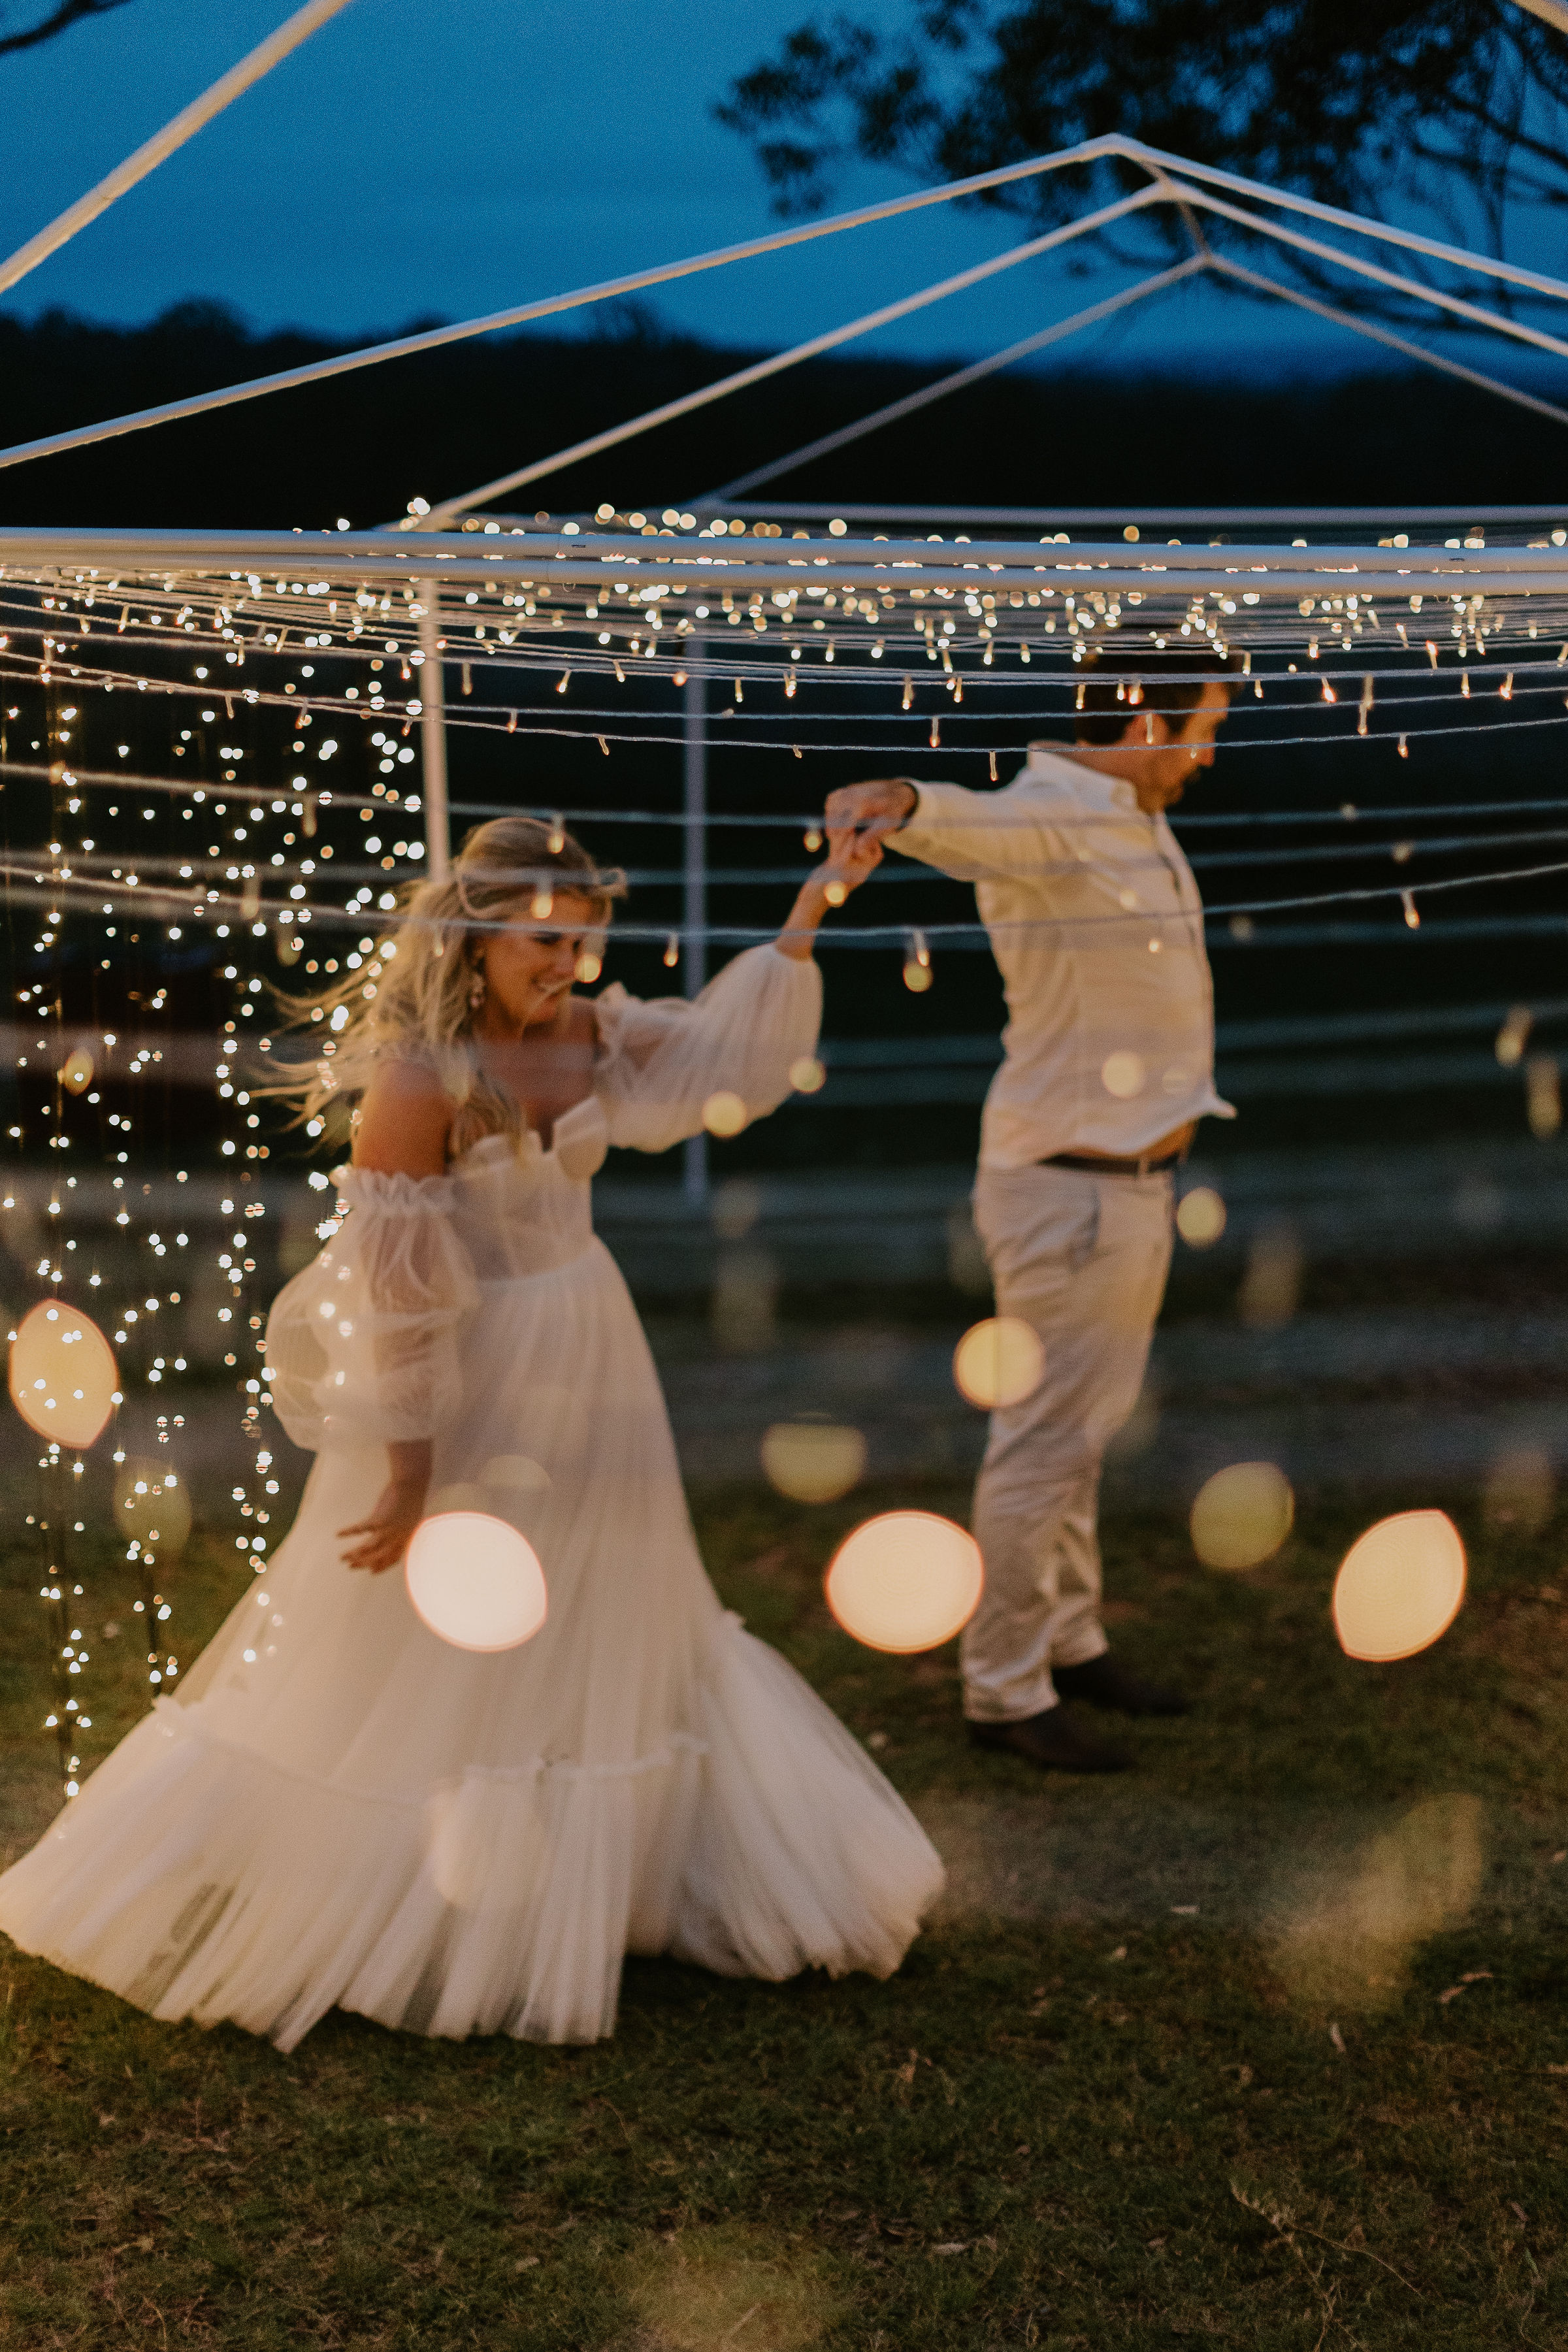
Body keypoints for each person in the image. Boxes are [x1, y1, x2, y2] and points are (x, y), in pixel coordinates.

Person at [0, 816, 943, 2049]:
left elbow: (723, 1056)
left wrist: (815, 907)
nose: (570, 966)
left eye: (584, 942)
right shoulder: (418, 1080)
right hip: (471, 1382)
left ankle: (602, 1874)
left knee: (609, 1610)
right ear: (478, 936)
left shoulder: (595, 1035)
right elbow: (397, 1296)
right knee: (451, 1642)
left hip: (595, 1359)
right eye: (546, 944)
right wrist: (407, 1473)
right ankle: (443, 1885)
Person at [825, 649, 1236, 1774]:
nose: (1208, 756)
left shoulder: (1128, 811)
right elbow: (977, 829)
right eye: (1200, 729)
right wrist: (903, 807)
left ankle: (1071, 1634)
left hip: (1117, 1187)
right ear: (1146, 720)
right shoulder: (1057, 809)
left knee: (1080, 1436)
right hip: (1072, 1193)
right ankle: (1004, 1690)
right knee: (1044, 1443)